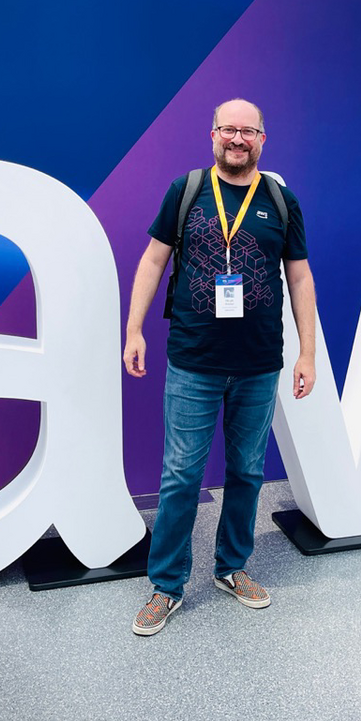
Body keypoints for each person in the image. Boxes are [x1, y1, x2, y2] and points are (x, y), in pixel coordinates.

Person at [123, 98, 317, 636]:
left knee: (247, 472)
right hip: (194, 361)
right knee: (181, 476)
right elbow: (154, 260)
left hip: (259, 363)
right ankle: (166, 586)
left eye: (248, 130)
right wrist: (134, 329)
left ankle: (232, 568)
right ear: (212, 135)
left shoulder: (280, 200)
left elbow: (299, 277)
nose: (238, 138)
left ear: (262, 139)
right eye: (228, 129)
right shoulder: (186, 192)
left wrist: (307, 352)